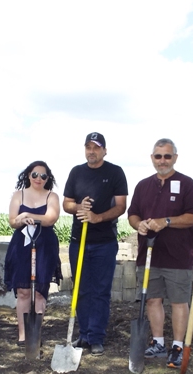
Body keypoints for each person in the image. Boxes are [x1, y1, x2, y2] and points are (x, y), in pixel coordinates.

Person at [127, 138, 193, 368]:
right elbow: (132, 214)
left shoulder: (187, 184)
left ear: (175, 158)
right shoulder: (143, 186)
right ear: (152, 158)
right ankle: (158, 342)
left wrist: (166, 221)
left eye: (167, 156)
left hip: (178, 256)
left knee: (179, 301)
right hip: (149, 254)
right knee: (152, 299)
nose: (162, 161)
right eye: (158, 156)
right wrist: (138, 224)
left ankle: (178, 346)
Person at [62, 132, 128, 356]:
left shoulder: (115, 172)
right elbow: (67, 204)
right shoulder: (76, 172)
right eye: (88, 147)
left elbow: (121, 206)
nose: (92, 151)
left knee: (100, 291)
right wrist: (79, 207)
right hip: (78, 241)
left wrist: (98, 217)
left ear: (104, 151)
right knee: (81, 289)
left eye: (96, 147)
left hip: (104, 242)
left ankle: (97, 337)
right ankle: (84, 334)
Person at [3, 161, 62, 345]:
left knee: (40, 292)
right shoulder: (18, 195)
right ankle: (23, 335)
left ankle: (35, 334)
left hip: (45, 246)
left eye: (43, 176)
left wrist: (27, 215)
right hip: (21, 246)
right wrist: (20, 220)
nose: (38, 179)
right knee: (23, 291)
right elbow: (13, 221)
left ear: (47, 178)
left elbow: (50, 219)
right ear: (28, 175)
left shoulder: (52, 196)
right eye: (35, 174)